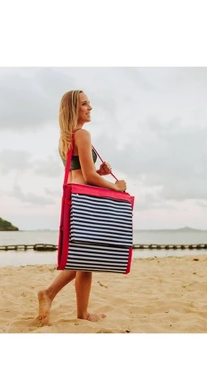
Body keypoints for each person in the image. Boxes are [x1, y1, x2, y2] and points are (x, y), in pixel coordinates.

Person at [37, 90, 127, 325]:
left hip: (73, 198)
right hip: (85, 201)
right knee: (85, 259)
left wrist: (100, 173)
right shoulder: (83, 134)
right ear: (73, 109)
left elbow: (79, 172)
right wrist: (116, 187)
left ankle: (79, 311)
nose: (90, 108)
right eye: (85, 104)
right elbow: (87, 176)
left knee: (84, 259)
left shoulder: (65, 137)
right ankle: (52, 295)